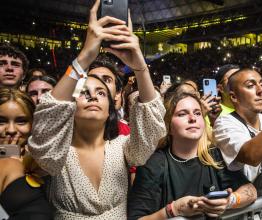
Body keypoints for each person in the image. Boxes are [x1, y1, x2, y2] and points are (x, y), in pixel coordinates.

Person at [27, 0, 166, 218]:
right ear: (69, 107)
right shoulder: (57, 153)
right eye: (83, 92)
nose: (93, 95)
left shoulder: (123, 148)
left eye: (101, 92)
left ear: (110, 108)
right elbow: (46, 125)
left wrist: (140, 66)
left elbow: (151, 126)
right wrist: (84, 57)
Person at [128, 92, 257, 219]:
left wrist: (229, 201)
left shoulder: (214, 156)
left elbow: (250, 191)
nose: (192, 118)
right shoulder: (153, 164)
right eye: (182, 114)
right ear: (168, 126)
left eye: (197, 113)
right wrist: (174, 210)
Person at [0, 88, 54, 219]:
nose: (11, 130)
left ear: (33, 124)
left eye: (21, 121)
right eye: (1, 121)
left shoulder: (43, 158)